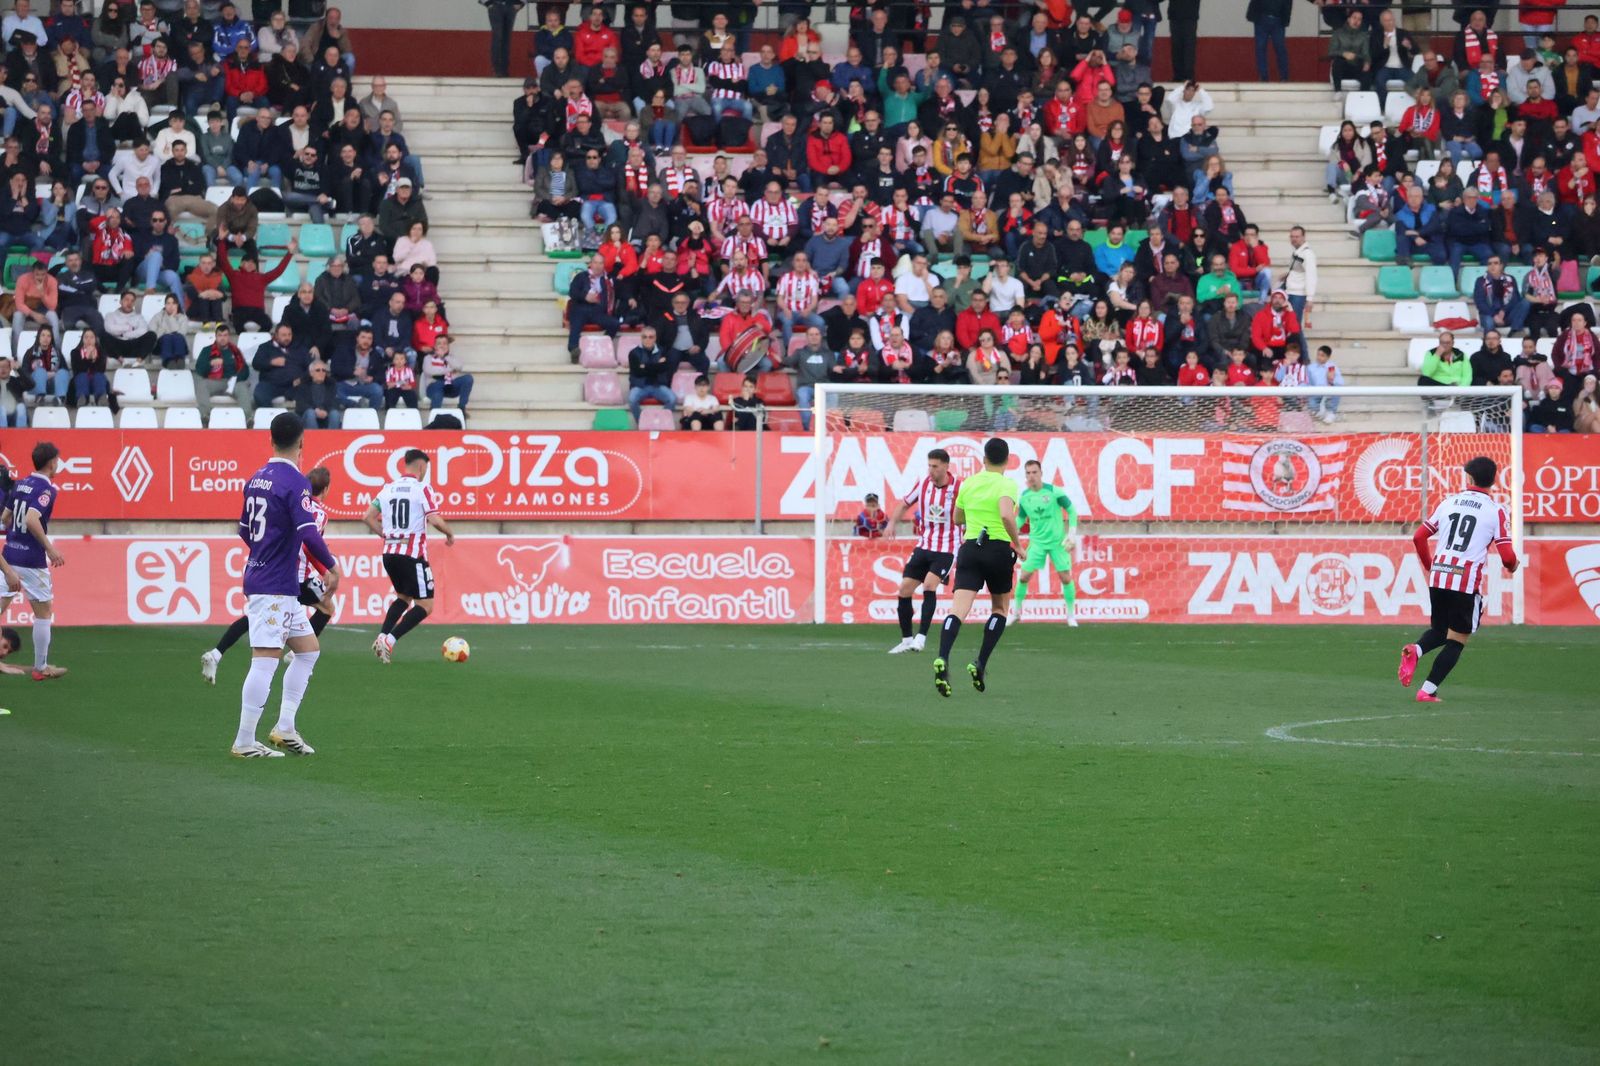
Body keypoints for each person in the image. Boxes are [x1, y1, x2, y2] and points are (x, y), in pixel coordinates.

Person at [229, 413, 340, 757]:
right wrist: (332, 566)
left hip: (273, 581)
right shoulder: (295, 482)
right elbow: (308, 532)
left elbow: (244, 532)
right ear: (302, 443)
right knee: (266, 659)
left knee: (307, 650)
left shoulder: (256, 478)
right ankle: (245, 740)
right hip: (274, 584)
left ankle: (285, 727)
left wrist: (267, 552)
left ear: (270, 440)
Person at [201, 465, 336, 684]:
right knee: (328, 607)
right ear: (326, 489)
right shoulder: (318, 513)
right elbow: (308, 544)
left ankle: (216, 653)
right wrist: (326, 568)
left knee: (255, 617)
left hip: (272, 573)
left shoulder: (289, 500)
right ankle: (297, 654)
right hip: (298, 577)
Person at [1398, 456, 1518, 702]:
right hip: (1464, 582)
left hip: (1440, 577)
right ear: (1493, 480)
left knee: (1440, 630)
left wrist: (1432, 567)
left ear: (1469, 478)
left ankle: (1416, 650)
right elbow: (1507, 557)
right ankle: (1427, 690)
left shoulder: (1448, 502)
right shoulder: (1497, 510)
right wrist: (1514, 564)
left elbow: (1419, 537)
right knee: (1457, 640)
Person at [933, 437, 1021, 697]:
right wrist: (1018, 543)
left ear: (983, 460)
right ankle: (980, 662)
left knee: (958, 610)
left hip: (970, 548)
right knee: (1000, 609)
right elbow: (1006, 514)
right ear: (1006, 460)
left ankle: (942, 657)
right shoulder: (1007, 484)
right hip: (997, 549)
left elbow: (957, 517)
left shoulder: (969, 483)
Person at [364, 448, 454, 664]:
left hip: (389, 553)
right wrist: (449, 533)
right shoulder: (422, 488)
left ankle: (382, 636)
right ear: (422, 466)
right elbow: (433, 518)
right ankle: (390, 640)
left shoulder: (388, 489)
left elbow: (367, 516)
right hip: (412, 554)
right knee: (426, 605)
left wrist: (386, 536)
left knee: (404, 597)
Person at [884, 448, 963, 655]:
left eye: (935, 466)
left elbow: (971, 510)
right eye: (929, 465)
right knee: (904, 590)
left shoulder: (959, 487)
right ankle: (906, 639)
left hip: (947, 548)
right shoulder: (924, 484)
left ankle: (921, 637)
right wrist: (892, 522)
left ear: (946, 466)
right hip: (924, 545)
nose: (931, 470)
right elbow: (904, 503)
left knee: (929, 586)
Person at [0, 441, 67, 680]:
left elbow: (5, 518)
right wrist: (50, 549)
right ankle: (41, 668)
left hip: (9, 556)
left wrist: (14, 535)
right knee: (43, 612)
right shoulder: (47, 489)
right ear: (52, 463)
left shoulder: (20, 484)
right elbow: (31, 518)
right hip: (31, 560)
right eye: (57, 460)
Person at [1009, 459, 1079, 627]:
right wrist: (1010, 530)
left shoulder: (1054, 492)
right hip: (1037, 543)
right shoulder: (1025, 497)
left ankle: (1071, 615)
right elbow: (1020, 518)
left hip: (1057, 542)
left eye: (1034, 472)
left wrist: (1072, 534)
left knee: (1065, 578)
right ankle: (1016, 613)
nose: (1031, 476)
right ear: (1025, 475)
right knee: (1024, 576)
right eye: (1028, 473)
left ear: (1041, 473)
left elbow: (1072, 510)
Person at [483, 0, 526, 79]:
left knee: (506, 39)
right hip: (495, 5)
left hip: (511, 6)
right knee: (497, 37)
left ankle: (504, 70)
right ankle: (496, 70)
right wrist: (488, 3)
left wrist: (521, 3)